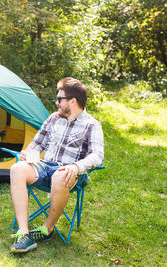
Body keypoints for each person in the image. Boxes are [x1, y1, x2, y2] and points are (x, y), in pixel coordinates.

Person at [9, 77, 104, 253]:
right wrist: (30, 154)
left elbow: (98, 156)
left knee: (60, 175)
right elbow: (37, 144)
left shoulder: (92, 125)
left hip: (70, 173)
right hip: (44, 166)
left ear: (72, 101)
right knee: (17, 169)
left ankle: (47, 229)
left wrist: (76, 167)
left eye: (60, 99)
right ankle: (23, 233)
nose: (56, 103)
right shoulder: (53, 119)